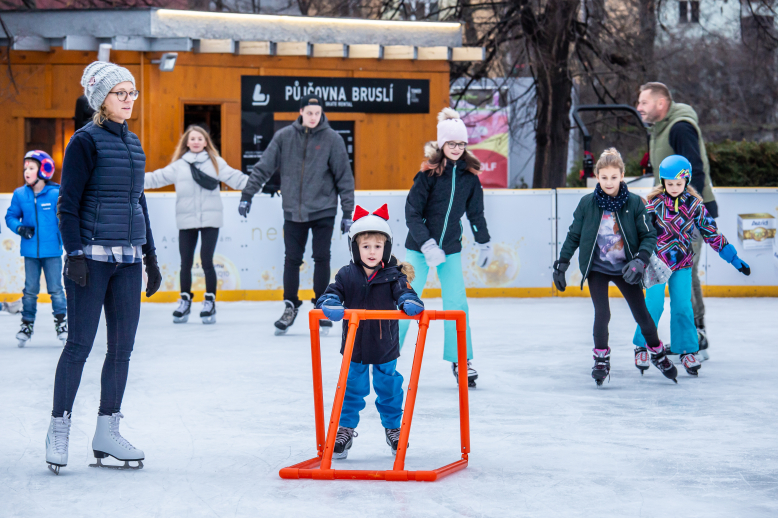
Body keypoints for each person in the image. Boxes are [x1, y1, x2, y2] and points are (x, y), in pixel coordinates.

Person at [45, 61, 162, 475]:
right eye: (120, 93)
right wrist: (74, 254)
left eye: (132, 93)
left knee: (122, 350)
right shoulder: (84, 142)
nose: (129, 100)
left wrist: (150, 256)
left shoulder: (134, 144)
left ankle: (106, 431)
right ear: (102, 99)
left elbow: (139, 202)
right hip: (91, 260)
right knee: (78, 346)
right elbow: (68, 204)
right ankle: (59, 427)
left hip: (128, 261)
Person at [553, 148, 678, 386]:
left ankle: (658, 353)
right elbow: (573, 236)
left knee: (642, 315)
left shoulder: (634, 203)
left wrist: (640, 260)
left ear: (622, 175)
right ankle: (601, 359)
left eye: (613, 177)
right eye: (604, 177)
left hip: (627, 268)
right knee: (602, 314)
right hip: (597, 268)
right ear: (597, 177)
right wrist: (562, 264)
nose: (609, 182)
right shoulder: (587, 203)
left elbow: (649, 235)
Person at [239, 94, 354, 335]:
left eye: (317, 113)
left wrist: (347, 212)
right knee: (292, 259)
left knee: (321, 257)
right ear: (301, 112)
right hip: (293, 210)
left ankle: (322, 306)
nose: (313, 117)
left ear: (321, 113)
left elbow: (345, 176)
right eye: (309, 112)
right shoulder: (284, 137)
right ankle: (290, 306)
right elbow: (264, 166)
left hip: (323, 209)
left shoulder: (332, 139)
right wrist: (247, 194)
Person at [315, 204, 424, 458]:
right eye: (366, 246)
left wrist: (409, 301)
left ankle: (394, 428)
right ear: (355, 248)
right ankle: (344, 429)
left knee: (389, 388)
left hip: (385, 346)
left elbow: (405, 292)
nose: (372, 252)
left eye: (377, 246)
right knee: (351, 388)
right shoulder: (346, 275)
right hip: (354, 346)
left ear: (386, 248)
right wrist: (329, 303)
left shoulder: (394, 275)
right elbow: (331, 293)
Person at [398, 107, 492, 388]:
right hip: (418, 248)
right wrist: (426, 243)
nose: (456, 148)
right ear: (442, 144)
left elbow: (476, 214)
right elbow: (412, 212)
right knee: (404, 301)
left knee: (457, 304)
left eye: (461, 144)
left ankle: (461, 359)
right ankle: (387, 355)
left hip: (450, 248)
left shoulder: (469, 177)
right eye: (451, 143)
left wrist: (484, 241)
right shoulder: (427, 175)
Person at [633, 155, 751, 377]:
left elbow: (712, 233)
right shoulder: (654, 204)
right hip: (656, 263)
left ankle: (686, 350)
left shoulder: (695, 205)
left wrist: (734, 259)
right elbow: (640, 231)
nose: (674, 188)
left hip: (682, 264)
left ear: (686, 181)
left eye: (679, 184)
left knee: (683, 308)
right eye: (670, 184)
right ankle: (641, 344)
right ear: (663, 181)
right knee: (653, 306)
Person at [637, 82, 716, 359]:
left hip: (687, 216)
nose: (639, 107)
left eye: (644, 102)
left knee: (686, 271)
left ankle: (697, 335)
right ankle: (693, 334)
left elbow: (695, 170)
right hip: (670, 215)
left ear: (661, 104)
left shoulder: (679, 127)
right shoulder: (661, 130)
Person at [145, 125, 248, 324]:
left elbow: (235, 177)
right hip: (186, 220)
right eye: (192, 139)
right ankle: (185, 301)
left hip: (211, 220)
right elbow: (157, 178)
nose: (196, 142)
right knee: (185, 262)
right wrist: (130, 179)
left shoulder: (216, 163)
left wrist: (257, 184)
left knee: (207, 260)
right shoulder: (179, 165)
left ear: (206, 142)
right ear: (186, 142)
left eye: (200, 139)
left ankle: (209, 301)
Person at [5, 150, 67, 347]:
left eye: (31, 168)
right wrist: (19, 228)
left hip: (53, 252)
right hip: (31, 252)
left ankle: (61, 323)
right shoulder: (20, 194)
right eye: (25, 168)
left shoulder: (56, 193)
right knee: (30, 290)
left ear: (44, 170)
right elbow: (10, 217)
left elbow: (66, 217)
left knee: (56, 289)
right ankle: (26, 325)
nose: (27, 172)